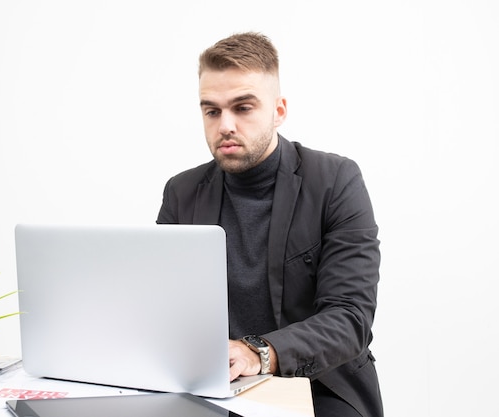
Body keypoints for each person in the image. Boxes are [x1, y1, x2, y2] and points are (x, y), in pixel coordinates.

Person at [156, 32, 383, 417]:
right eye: (211, 111)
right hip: (213, 386)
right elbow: (161, 305)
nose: (225, 124)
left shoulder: (335, 180)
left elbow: (349, 317)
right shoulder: (182, 192)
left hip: (318, 384)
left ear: (278, 111)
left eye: (243, 107)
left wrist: (258, 352)